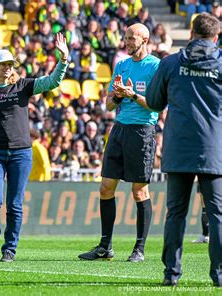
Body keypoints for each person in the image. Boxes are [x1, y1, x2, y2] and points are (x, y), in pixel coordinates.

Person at [0, 33, 69, 262]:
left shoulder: (23, 85)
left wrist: (63, 61)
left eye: (10, 64)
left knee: (15, 204)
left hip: (21, 152)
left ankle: (10, 248)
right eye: (3, 64)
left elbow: (52, 81)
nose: (8, 68)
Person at [146, 13, 221, 287]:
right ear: (215, 37)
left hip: (178, 148)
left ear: (191, 33)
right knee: (217, 214)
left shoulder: (171, 63)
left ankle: (171, 274)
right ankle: (219, 275)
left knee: (175, 214)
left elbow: (154, 102)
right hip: (213, 149)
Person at [78, 23, 160, 263]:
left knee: (139, 191)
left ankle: (139, 249)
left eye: (131, 38)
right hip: (120, 129)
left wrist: (132, 94)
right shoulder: (122, 64)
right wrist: (118, 95)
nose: (127, 42)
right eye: (125, 38)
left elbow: (156, 104)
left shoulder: (156, 66)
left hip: (143, 131)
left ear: (144, 39)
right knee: (105, 187)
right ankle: (105, 247)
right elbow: (109, 105)